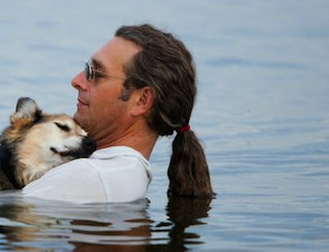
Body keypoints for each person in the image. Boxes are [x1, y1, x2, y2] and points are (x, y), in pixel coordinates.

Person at [22, 24, 214, 203]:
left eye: (95, 73)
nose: (77, 81)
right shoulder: (121, 173)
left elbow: (6, 220)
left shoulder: (91, 176)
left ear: (141, 100)